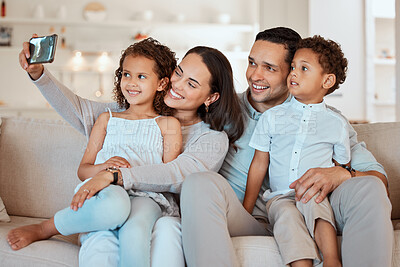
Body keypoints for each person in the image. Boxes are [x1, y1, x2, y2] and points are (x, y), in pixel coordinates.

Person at [14, 36, 245, 266]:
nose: (177, 84)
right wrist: (38, 73)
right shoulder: (127, 111)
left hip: (157, 208)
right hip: (113, 201)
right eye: (179, 73)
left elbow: (175, 174)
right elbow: (79, 110)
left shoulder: (211, 139)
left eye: (192, 84)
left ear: (211, 97)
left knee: (162, 232)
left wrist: (115, 175)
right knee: (102, 239)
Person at [180, 27, 393, 267]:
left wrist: (342, 173)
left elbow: (378, 177)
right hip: (247, 218)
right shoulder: (223, 108)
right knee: (198, 182)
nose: (255, 75)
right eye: (252, 63)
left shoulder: (329, 120)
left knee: (369, 186)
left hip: (309, 212)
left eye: (269, 68)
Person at [243, 35, 350, 267]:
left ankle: (332, 261)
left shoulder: (336, 123)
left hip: (313, 191)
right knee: (286, 217)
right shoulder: (272, 117)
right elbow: (259, 164)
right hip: (280, 195)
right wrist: (246, 210)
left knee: (317, 207)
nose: (293, 73)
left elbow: (340, 165)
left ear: (327, 81)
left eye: (303, 69)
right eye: (292, 67)